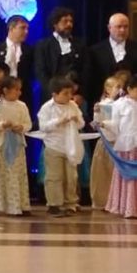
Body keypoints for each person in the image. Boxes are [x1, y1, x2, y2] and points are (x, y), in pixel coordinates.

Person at [0, 76, 33, 216]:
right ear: (5, 90)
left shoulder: (22, 106)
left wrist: (20, 127)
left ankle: (18, 204)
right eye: (16, 90)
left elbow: (28, 124)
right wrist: (2, 125)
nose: (19, 93)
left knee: (15, 174)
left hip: (16, 145)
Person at [38, 76, 85, 217]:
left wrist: (77, 120)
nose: (69, 96)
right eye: (65, 93)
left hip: (70, 146)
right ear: (55, 94)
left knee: (71, 177)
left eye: (70, 93)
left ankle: (71, 203)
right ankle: (54, 204)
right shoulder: (47, 107)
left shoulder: (73, 106)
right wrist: (59, 121)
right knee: (54, 176)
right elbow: (43, 126)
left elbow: (81, 124)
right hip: (54, 146)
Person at [100, 75, 137, 218]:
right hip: (127, 145)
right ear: (129, 89)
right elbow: (114, 124)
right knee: (128, 175)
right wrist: (103, 124)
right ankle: (127, 207)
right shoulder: (120, 104)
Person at [84, 13, 137, 109]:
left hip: (132, 104)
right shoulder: (95, 51)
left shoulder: (135, 48)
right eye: (119, 27)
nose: (122, 30)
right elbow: (91, 79)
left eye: (126, 27)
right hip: (104, 103)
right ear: (109, 28)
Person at [35, 7, 86, 102]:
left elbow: (86, 71)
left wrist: (80, 94)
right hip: (52, 97)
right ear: (55, 24)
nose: (69, 24)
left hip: (75, 97)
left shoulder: (80, 45)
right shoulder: (43, 46)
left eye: (71, 21)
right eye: (65, 21)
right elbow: (41, 73)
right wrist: (55, 93)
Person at [0, 16, 34, 108]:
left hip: (23, 95)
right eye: (22, 28)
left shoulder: (29, 50)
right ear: (11, 28)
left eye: (27, 28)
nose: (26, 32)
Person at [89, 76, 120, 209]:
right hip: (107, 143)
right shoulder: (105, 104)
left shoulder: (121, 104)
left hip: (118, 142)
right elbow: (102, 124)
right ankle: (103, 201)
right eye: (116, 87)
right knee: (103, 174)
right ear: (107, 89)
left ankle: (116, 201)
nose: (119, 90)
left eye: (120, 87)